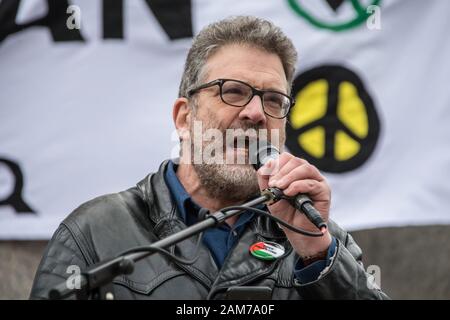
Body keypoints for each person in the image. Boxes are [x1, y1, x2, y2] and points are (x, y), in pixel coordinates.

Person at [30, 16, 389, 300]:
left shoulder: (318, 236)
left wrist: (317, 254)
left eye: (274, 101)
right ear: (185, 118)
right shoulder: (95, 231)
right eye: (232, 91)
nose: (256, 113)